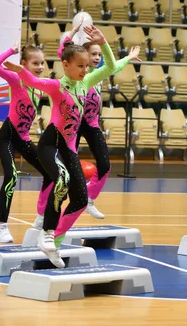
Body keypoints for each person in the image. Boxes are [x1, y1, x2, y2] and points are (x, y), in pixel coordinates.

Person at [3, 25, 116, 268]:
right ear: (66, 64)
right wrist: (21, 71)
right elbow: (33, 80)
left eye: (87, 66)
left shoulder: (86, 82)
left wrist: (104, 42)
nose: (86, 70)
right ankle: (47, 232)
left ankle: (54, 241)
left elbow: (111, 67)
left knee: (81, 200)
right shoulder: (56, 86)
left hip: (69, 148)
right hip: (50, 144)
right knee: (61, 181)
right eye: (80, 66)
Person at [57, 20, 141, 219]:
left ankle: (90, 199)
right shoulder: (83, 74)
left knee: (104, 164)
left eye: (98, 55)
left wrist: (128, 57)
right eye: (93, 54)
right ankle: (54, 205)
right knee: (65, 168)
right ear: (84, 58)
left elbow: (115, 65)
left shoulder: (101, 73)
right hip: (73, 125)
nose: (96, 58)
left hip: (92, 124)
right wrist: (70, 34)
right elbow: (63, 52)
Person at [0, 43, 53, 242]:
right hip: (8, 136)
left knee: (51, 174)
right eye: (35, 63)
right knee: (11, 177)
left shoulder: (39, 84)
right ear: (24, 64)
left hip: (24, 138)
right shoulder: (17, 79)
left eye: (42, 63)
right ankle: (1, 226)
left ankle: (41, 218)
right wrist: (11, 51)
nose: (40, 66)